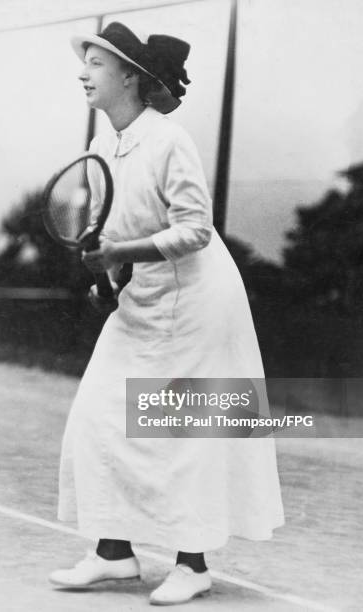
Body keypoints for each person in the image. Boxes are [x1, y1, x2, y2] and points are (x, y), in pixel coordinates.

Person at [50, 21, 285, 606]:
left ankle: (193, 565)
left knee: (184, 432)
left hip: (202, 306)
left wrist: (120, 255)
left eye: (97, 65)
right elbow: (109, 236)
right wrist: (107, 282)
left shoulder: (169, 140)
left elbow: (197, 230)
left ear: (131, 76)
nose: (84, 73)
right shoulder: (103, 148)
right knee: (99, 416)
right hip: (143, 301)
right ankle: (113, 554)